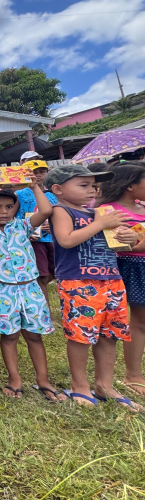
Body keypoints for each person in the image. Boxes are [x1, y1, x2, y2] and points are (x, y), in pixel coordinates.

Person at [0, 174, 65, 402]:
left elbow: (46, 211)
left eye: (8, 206)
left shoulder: (23, 225)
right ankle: (14, 379)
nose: (4, 211)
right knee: (9, 336)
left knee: (34, 336)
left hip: (30, 289)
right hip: (2, 290)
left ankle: (43, 380)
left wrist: (35, 186)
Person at [48, 165, 140, 409]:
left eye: (94, 185)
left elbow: (116, 245)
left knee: (109, 334)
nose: (92, 190)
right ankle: (80, 386)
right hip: (78, 281)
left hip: (111, 278)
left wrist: (129, 239)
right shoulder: (61, 210)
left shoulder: (100, 213)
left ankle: (104, 385)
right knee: (80, 336)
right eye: (83, 185)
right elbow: (66, 240)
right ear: (58, 189)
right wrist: (101, 223)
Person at [97, 163, 145, 396]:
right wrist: (137, 244)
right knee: (135, 322)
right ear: (130, 186)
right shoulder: (107, 211)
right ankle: (133, 375)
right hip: (125, 266)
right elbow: (118, 244)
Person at [15, 159, 58, 297]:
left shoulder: (53, 194)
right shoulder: (20, 194)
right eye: (33, 172)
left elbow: (58, 215)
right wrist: (23, 232)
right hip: (33, 240)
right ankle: (47, 313)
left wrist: (54, 227)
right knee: (42, 276)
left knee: (56, 271)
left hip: (53, 238)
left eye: (42, 172)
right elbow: (13, 216)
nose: (38, 175)